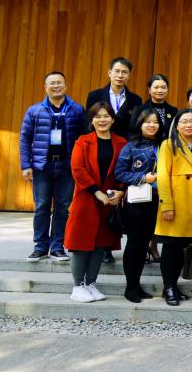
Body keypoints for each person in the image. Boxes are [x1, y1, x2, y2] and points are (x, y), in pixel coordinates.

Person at [65, 102, 127, 303]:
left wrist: (121, 191)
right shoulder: (83, 141)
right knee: (81, 244)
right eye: (97, 116)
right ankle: (78, 286)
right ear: (91, 120)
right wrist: (96, 191)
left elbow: (124, 169)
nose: (102, 120)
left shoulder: (121, 142)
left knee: (100, 244)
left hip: (109, 201)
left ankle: (91, 283)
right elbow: (78, 169)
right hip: (86, 199)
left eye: (106, 116)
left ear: (113, 119)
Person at [19, 71, 85, 262]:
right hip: (42, 167)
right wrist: (26, 165)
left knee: (63, 208)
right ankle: (40, 247)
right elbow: (25, 139)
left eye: (59, 83)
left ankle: (57, 247)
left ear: (65, 85)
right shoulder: (35, 111)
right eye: (52, 83)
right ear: (45, 88)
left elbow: (84, 138)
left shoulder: (76, 110)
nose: (56, 86)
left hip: (66, 167)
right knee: (41, 207)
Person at [154, 109, 192, 306]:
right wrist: (166, 203)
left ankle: (174, 285)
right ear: (177, 125)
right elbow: (163, 176)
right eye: (184, 121)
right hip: (175, 203)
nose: (188, 125)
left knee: (183, 247)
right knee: (170, 247)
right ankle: (168, 287)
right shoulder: (168, 144)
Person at [114, 109, 162, 302]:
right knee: (134, 243)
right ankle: (130, 287)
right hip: (136, 201)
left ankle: (137, 284)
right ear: (140, 125)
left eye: (155, 122)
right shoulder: (131, 146)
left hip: (156, 200)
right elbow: (120, 173)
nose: (152, 125)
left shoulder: (164, 145)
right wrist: (143, 178)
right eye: (147, 122)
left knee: (144, 244)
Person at [84, 57, 142, 139]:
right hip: (98, 141)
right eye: (117, 71)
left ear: (129, 76)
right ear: (109, 73)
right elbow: (88, 123)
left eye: (124, 72)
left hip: (124, 143)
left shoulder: (136, 100)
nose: (120, 75)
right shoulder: (94, 96)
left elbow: (135, 128)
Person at [129, 74, 178, 142]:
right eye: (156, 87)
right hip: (143, 146)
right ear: (149, 89)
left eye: (163, 87)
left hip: (166, 147)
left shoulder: (173, 111)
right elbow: (132, 132)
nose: (160, 90)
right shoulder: (139, 109)